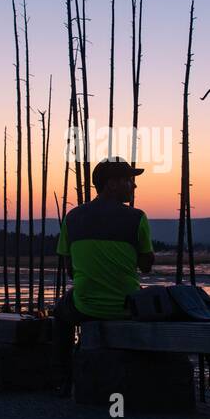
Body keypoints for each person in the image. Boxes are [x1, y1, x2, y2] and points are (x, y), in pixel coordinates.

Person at [51, 157, 155, 396]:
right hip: (126, 307)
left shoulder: (73, 217)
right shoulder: (137, 217)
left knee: (60, 313)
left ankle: (61, 377)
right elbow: (146, 265)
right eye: (129, 180)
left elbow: (70, 269)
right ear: (111, 184)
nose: (134, 186)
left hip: (85, 306)